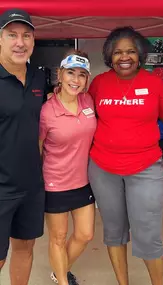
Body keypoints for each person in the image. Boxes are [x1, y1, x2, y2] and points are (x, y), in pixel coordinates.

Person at [88, 26, 163, 285]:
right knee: (114, 233)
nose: (124, 57)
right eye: (118, 52)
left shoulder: (155, 84)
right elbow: (83, 113)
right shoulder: (99, 83)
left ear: (140, 55)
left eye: (131, 52)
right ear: (109, 56)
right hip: (103, 168)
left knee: (148, 235)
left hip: (145, 168)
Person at [39, 50, 97, 285]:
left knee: (85, 234)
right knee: (58, 238)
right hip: (55, 182)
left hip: (83, 181)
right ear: (60, 75)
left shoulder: (88, 101)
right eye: (71, 73)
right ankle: (62, 280)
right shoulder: (47, 111)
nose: (76, 80)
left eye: (82, 75)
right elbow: (38, 147)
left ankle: (60, 270)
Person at [0, 8, 47, 285]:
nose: (20, 42)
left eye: (26, 35)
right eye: (12, 35)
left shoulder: (38, 77)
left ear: (33, 40)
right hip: (0, 187)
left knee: (24, 248)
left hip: (31, 184)